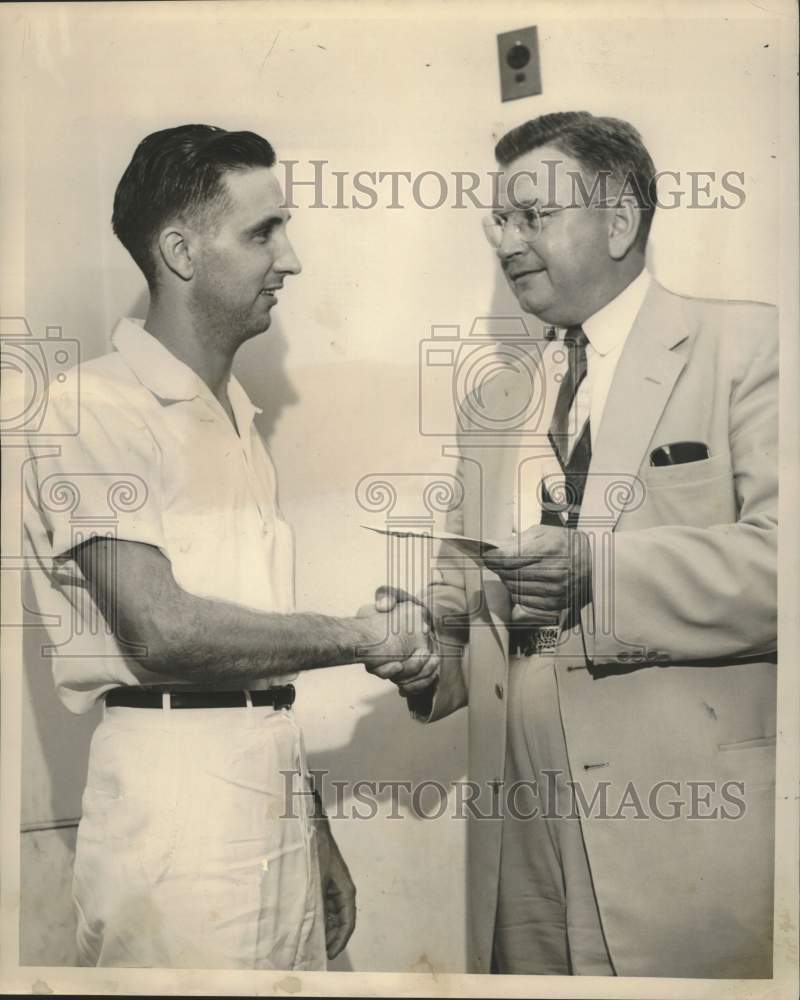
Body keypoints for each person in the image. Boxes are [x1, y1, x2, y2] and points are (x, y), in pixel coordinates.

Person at [372, 111, 777, 977]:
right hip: (517, 834)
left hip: (680, 832)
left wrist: (599, 572)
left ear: (620, 219)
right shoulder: (496, 396)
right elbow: (462, 594)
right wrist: (421, 652)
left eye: (534, 217)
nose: (509, 243)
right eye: (500, 223)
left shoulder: (750, 346)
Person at [23, 124, 429, 969]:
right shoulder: (89, 406)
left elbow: (258, 674)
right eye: (262, 232)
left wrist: (311, 833)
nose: (291, 259)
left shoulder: (236, 415)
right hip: (175, 820)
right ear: (179, 250)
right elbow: (163, 632)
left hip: (268, 803)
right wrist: (363, 636)